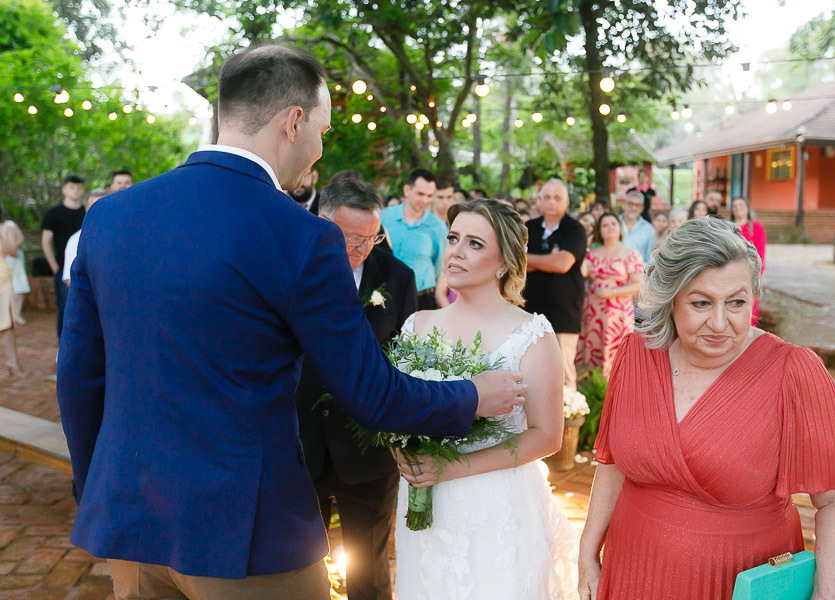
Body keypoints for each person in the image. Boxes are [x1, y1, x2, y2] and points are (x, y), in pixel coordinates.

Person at [58, 45, 528, 600]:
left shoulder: (110, 217)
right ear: (294, 121)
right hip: (244, 535)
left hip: (129, 520)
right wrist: (472, 396)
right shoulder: (302, 237)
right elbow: (371, 394)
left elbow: (79, 380)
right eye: (323, 131)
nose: (319, 150)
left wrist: (99, 493)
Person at [578, 218, 835, 600]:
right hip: (633, 569)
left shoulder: (792, 371)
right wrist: (588, 549)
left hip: (735, 579)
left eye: (737, 302)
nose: (720, 323)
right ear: (669, 298)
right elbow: (613, 462)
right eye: (701, 303)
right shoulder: (636, 353)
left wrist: (826, 596)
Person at [394, 199, 578, 600]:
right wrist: (402, 452)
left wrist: (454, 469)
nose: (456, 250)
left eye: (474, 243)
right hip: (423, 499)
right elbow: (396, 409)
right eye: (454, 238)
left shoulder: (532, 335)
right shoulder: (418, 325)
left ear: (503, 263)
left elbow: (548, 436)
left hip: (496, 505)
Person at [296, 179, 416, 600]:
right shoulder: (293, 266)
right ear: (322, 223)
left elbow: (407, 361)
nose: (363, 248)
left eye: (372, 237)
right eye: (351, 238)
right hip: (300, 443)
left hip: (369, 450)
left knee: (369, 571)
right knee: (299, 570)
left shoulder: (398, 278)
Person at [524, 179, 586, 389]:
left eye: (557, 197)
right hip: (529, 311)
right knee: (529, 371)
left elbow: (561, 264)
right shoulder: (528, 228)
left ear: (566, 201)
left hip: (564, 314)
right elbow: (515, 263)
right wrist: (547, 258)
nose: (551, 201)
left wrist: (531, 260)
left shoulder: (575, 229)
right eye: (547, 197)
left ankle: (569, 420)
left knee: (563, 374)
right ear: (539, 201)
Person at [576, 214, 643, 377]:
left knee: (617, 350)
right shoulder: (592, 253)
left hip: (618, 311)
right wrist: (585, 244)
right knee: (594, 346)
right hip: (593, 310)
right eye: (605, 225)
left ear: (619, 228)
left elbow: (637, 285)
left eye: (613, 223)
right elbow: (581, 272)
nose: (610, 227)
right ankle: (593, 387)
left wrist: (611, 293)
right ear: (599, 230)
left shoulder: (630, 254)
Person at [381, 169, 447, 309]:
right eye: (420, 194)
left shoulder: (437, 227)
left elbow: (440, 265)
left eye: (430, 196)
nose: (425, 200)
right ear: (407, 190)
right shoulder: (384, 217)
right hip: (385, 296)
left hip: (421, 298)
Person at [41, 174, 85, 339]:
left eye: (79, 187)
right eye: (72, 187)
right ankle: (63, 346)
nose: (76, 190)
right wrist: (54, 266)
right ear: (65, 189)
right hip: (62, 268)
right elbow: (45, 241)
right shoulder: (53, 213)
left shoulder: (86, 211)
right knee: (64, 307)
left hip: (85, 266)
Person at [730, 196, 767, 327]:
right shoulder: (728, 227)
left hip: (749, 276)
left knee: (749, 310)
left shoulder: (756, 228)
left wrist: (755, 277)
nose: (738, 209)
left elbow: (761, 255)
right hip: (729, 276)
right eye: (734, 206)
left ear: (747, 208)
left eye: (741, 206)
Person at [61, 188, 108, 286]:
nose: (100, 211)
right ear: (86, 210)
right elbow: (71, 280)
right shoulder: (76, 240)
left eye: (105, 206)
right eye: (94, 207)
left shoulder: (124, 235)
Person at [0, 220, 24, 377]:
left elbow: (13, 251)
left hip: (1, 277)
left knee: (7, 323)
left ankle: (14, 365)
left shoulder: (6, 228)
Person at [1, 207, 28, 325]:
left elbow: (20, 239)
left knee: (18, 287)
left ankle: (16, 315)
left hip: (14, 259)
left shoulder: (9, 225)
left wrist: (10, 246)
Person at [618, 191, 655, 264]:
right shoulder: (614, 224)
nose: (633, 207)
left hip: (639, 272)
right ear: (624, 205)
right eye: (630, 203)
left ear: (642, 208)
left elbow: (649, 258)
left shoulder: (648, 229)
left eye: (637, 205)